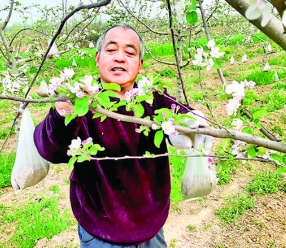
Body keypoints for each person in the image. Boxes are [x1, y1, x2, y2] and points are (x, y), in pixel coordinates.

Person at [34, 23, 212, 247]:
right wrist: (61, 115)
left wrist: (190, 121)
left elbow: (178, 111)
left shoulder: (151, 97)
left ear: (140, 64)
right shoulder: (82, 101)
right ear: (98, 58)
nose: (120, 58)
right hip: (101, 229)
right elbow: (50, 148)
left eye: (130, 52)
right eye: (111, 50)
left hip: (150, 224)